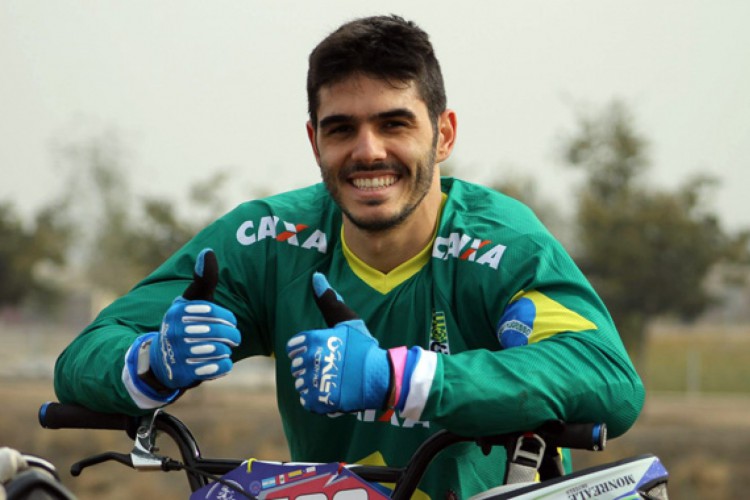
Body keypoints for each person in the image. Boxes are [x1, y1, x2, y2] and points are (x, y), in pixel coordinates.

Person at [54, 14, 644, 499]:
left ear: (443, 134)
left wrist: (400, 379)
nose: (368, 151)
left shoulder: (503, 242)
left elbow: (609, 380)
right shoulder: (266, 238)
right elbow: (83, 357)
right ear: (314, 141)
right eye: (341, 129)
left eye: (394, 124)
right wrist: (150, 362)